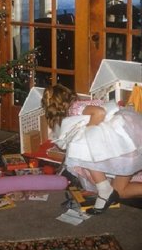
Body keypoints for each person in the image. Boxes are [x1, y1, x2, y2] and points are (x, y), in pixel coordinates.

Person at [41, 83, 142, 214]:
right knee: (119, 191)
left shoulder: (75, 108)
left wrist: (86, 135)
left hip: (127, 146)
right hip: (128, 143)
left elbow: (99, 113)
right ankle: (106, 190)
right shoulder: (76, 109)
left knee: (83, 146)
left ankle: (105, 190)